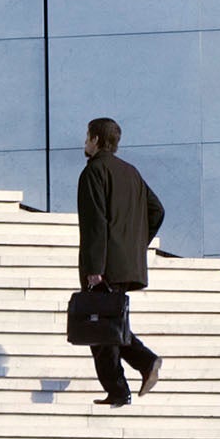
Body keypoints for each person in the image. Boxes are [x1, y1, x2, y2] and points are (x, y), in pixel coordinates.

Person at [78, 117, 164, 407]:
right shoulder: (131, 173)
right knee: (107, 324)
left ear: (97, 141)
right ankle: (138, 369)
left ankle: (129, 377)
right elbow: (157, 211)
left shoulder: (94, 172)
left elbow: (95, 223)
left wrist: (94, 268)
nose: (85, 142)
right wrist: (135, 246)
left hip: (104, 267)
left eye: (88, 137)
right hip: (125, 265)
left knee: (100, 328)